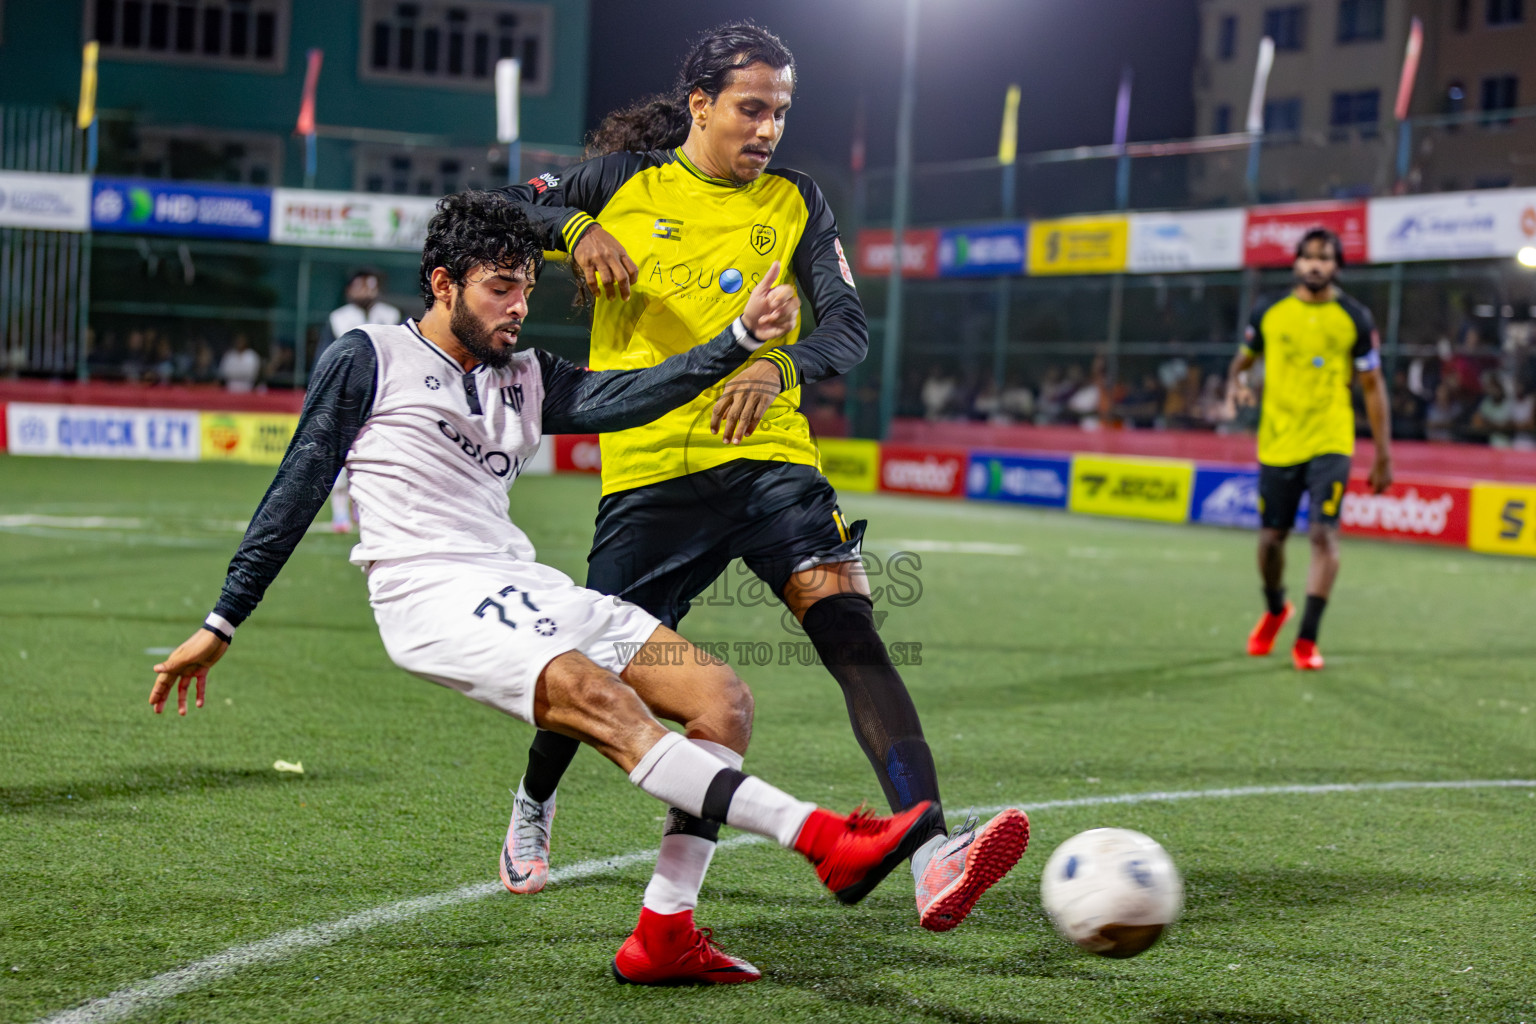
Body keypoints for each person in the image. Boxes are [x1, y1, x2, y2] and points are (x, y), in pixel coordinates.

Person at [147, 190, 941, 985]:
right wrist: (224, 620)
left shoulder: (528, 375)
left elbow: (637, 395)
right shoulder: (369, 358)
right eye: (501, 287)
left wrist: (737, 339)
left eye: (527, 286)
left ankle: (665, 931)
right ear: (442, 283)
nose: (520, 306)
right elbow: (299, 484)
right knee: (601, 701)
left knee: (720, 699)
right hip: (428, 594)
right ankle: (825, 839)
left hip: (522, 582)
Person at [493, 20, 1028, 946]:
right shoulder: (622, 183)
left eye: (780, 111)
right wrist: (576, 231)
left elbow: (849, 328)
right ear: (699, 105)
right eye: (751, 108)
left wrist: (777, 365)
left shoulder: (797, 201)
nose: (768, 128)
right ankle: (534, 800)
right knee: (596, 669)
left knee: (851, 631)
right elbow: (489, 210)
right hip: (652, 471)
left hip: (771, 460)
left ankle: (934, 849)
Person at [1225, 228, 1392, 671]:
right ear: (1296, 263)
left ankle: (1307, 639)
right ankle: (1276, 607)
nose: (1315, 265)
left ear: (1337, 265)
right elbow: (1240, 363)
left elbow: (1373, 388)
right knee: (1270, 541)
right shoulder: (1269, 312)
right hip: (1278, 441)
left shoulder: (1354, 317)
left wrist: (1382, 453)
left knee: (1323, 534)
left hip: (1331, 439)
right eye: (1308, 257)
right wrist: (1238, 385)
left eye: (1325, 257)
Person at [323, 271, 403, 532]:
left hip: (383, 398)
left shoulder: (391, 316)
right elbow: (325, 360)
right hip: (345, 398)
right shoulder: (338, 319)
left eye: (371, 285)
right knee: (339, 454)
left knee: (375, 456)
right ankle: (339, 515)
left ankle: (364, 508)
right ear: (349, 290)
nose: (366, 290)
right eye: (360, 285)